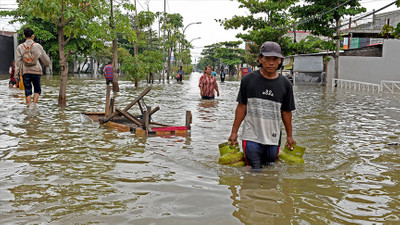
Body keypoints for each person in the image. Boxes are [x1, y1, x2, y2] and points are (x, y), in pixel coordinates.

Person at [228, 41, 296, 170]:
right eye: (267, 59)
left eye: (275, 59)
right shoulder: (248, 80)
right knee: (255, 170)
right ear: (260, 59)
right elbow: (242, 106)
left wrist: (289, 136)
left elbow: (286, 112)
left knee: (270, 171)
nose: (271, 63)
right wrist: (234, 132)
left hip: (273, 139)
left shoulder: (285, 84)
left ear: (280, 61)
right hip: (251, 136)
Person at [15, 27, 50, 107]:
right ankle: (34, 105)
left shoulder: (20, 47)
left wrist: (16, 74)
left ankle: (28, 106)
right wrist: (48, 64)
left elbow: (18, 62)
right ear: (33, 36)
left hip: (25, 71)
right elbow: (44, 58)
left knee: (27, 89)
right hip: (36, 71)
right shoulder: (38, 46)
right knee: (37, 89)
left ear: (24, 36)